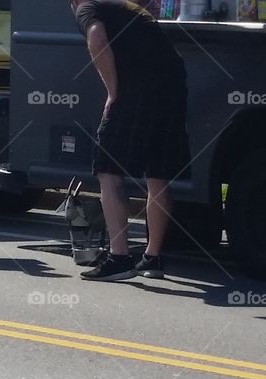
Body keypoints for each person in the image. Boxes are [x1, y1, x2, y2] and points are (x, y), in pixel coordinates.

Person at [71, 0, 191, 281]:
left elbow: (97, 39)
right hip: (173, 82)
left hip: (139, 86)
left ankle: (120, 257)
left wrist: (113, 92)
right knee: (157, 173)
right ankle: (153, 258)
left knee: (108, 169)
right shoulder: (124, 7)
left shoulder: (86, 8)